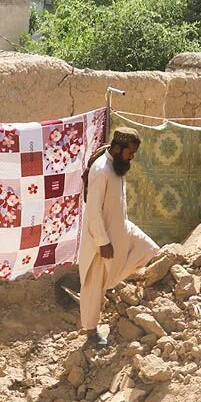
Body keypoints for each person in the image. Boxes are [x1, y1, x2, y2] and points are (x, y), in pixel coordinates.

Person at [78, 127, 159, 347]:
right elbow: (93, 210)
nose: (132, 157)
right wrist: (103, 242)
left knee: (150, 250)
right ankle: (91, 332)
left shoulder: (117, 167)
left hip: (121, 229)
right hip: (100, 238)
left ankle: (115, 286)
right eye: (130, 153)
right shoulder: (101, 170)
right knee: (94, 285)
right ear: (117, 148)